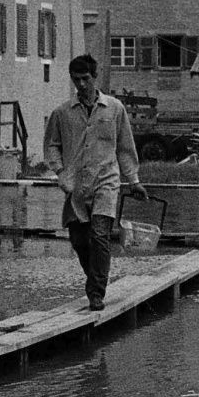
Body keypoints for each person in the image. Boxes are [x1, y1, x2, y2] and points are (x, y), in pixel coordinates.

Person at [43, 54, 147, 311]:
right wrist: (60, 172)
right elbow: (51, 146)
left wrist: (133, 180)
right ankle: (94, 279)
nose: (81, 84)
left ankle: (96, 293)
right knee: (79, 240)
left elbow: (124, 147)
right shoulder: (62, 113)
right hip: (76, 185)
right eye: (76, 79)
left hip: (106, 181)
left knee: (99, 235)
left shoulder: (114, 109)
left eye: (85, 79)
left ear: (94, 77)